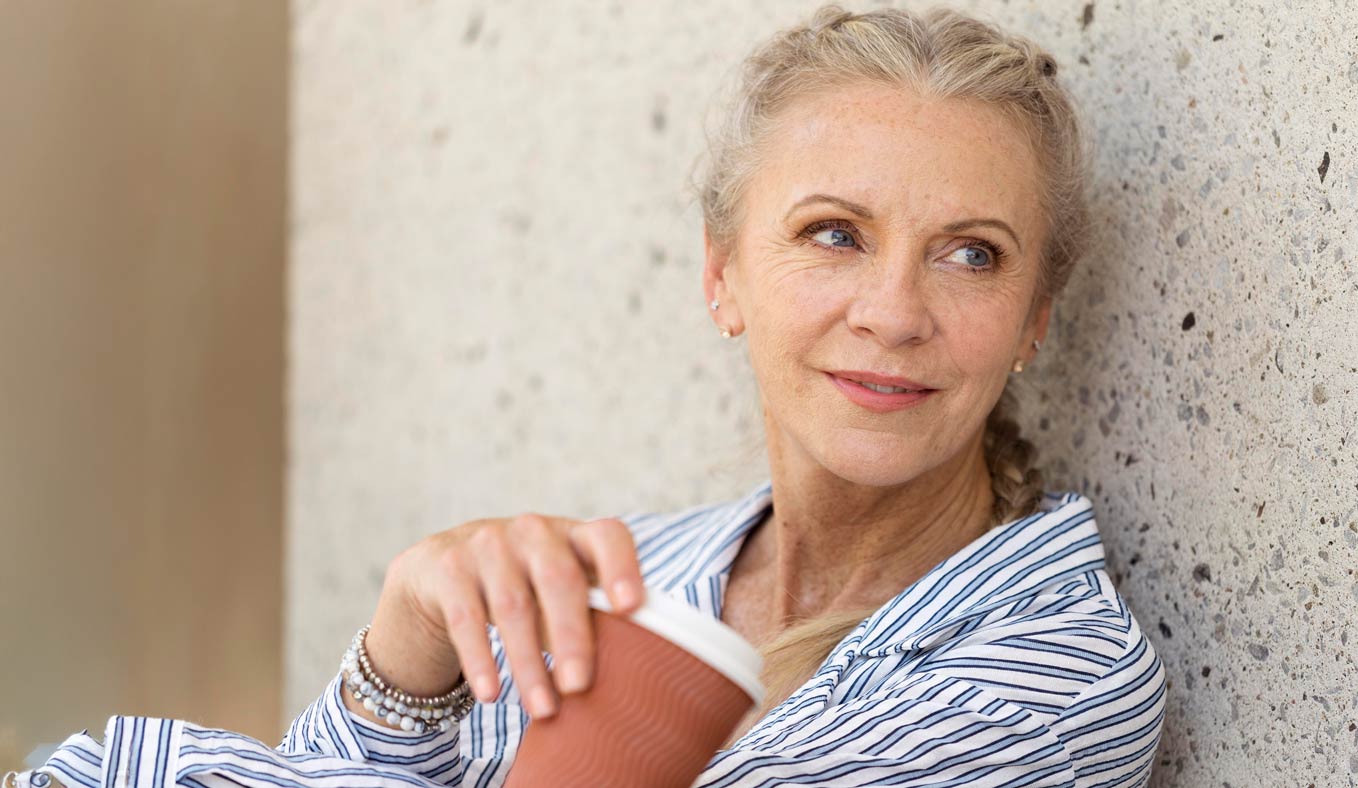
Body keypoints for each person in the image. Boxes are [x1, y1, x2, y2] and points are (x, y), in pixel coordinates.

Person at [12, 5, 1166, 787]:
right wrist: (401, 665)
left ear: (1032, 321)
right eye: (833, 234)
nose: (892, 311)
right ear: (721, 274)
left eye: (970, 253)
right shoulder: (638, 573)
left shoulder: (1052, 674)